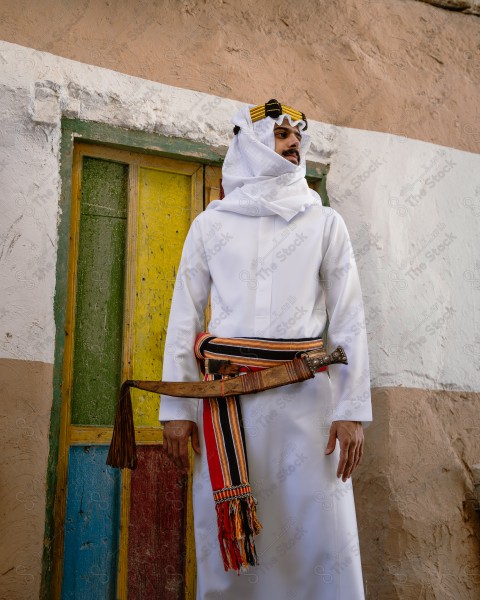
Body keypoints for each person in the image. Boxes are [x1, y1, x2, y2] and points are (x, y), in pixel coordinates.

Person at [160, 99, 372, 599]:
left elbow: (349, 321)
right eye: (281, 135)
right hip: (227, 412)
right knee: (233, 553)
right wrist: (176, 409)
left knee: (320, 539)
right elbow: (184, 319)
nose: (294, 142)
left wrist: (351, 409)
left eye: (297, 135)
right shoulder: (209, 226)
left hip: (308, 413)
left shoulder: (325, 225)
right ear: (253, 143)